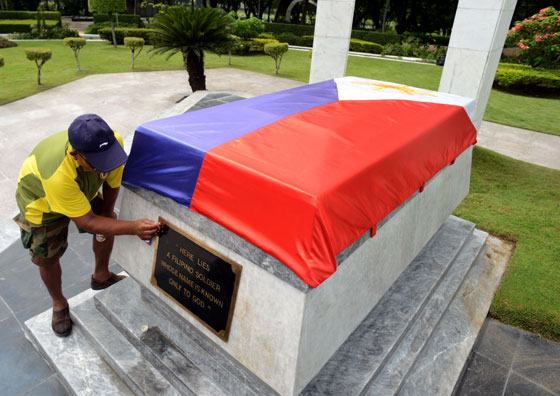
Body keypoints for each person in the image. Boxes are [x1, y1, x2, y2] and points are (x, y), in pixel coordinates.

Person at [14, 114, 160, 337]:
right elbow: (88, 222)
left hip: (81, 189)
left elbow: (112, 183)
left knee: (107, 221)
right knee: (47, 256)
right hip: (42, 205)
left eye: (109, 159)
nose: (106, 166)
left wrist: (108, 213)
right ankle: (58, 303)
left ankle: (101, 276)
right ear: (76, 155)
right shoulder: (57, 173)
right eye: (98, 163)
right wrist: (132, 228)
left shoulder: (113, 143)